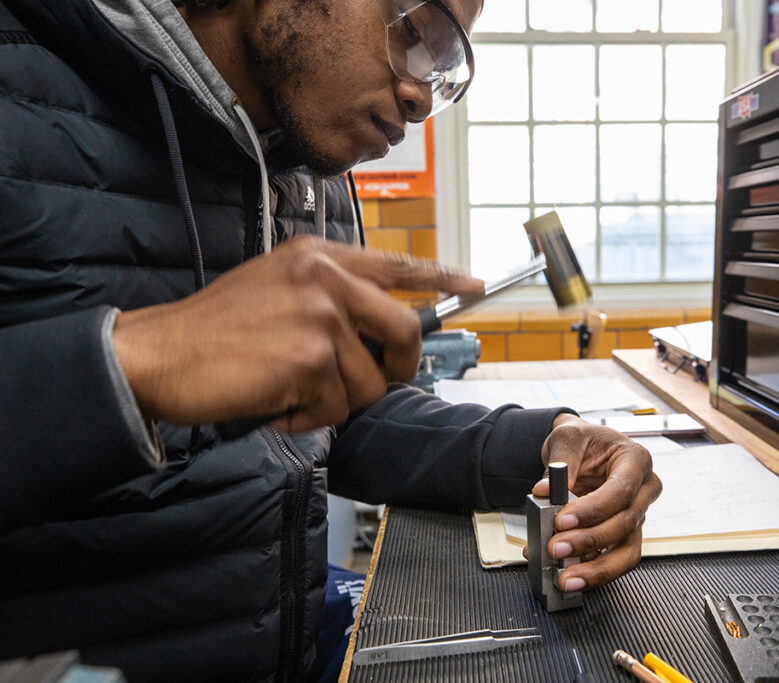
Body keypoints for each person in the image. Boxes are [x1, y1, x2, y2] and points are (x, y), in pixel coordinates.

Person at [0, 0, 662, 681]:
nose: (416, 96)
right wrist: (136, 364)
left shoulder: (311, 168)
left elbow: (340, 421)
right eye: (413, 28)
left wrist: (546, 440)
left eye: (444, 65)